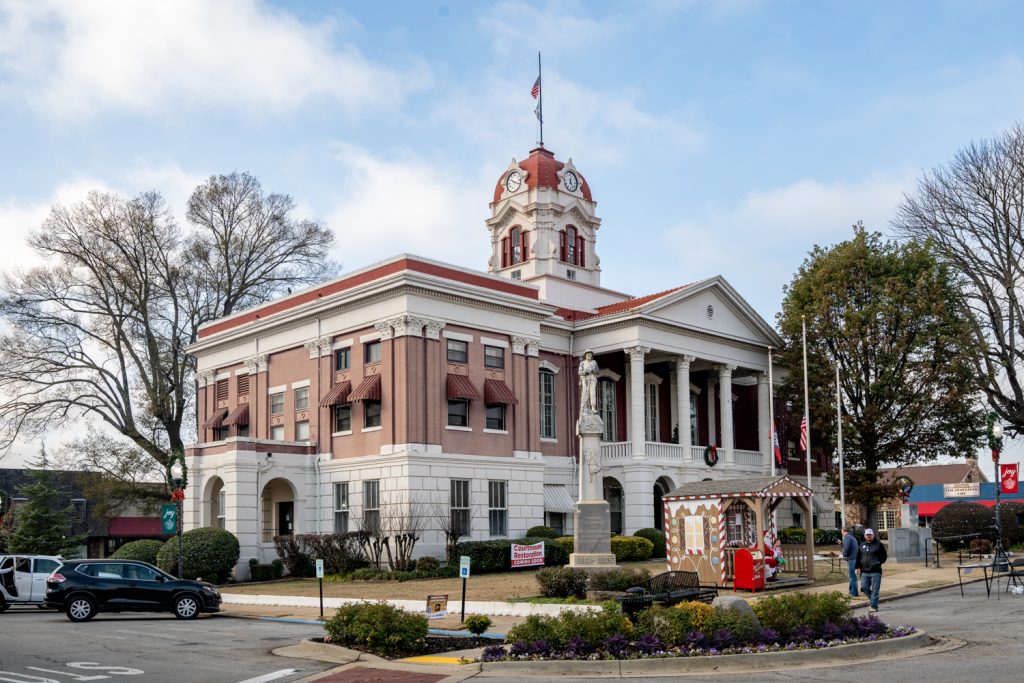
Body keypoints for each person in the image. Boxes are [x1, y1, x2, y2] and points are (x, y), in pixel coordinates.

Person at [858, 528, 887, 612]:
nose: (868, 536)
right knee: (864, 587)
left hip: (876, 571)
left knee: (875, 589)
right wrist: (857, 567)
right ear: (865, 536)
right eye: (867, 535)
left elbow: (884, 556)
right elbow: (858, 557)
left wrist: (878, 562)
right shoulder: (862, 545)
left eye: (870, 535)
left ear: (873, 535)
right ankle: (873, 600)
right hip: (864, 571)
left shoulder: (878, 544)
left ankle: (873, 606)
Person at [578, 350, 599, 415]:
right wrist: (586, 372)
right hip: (585, 379)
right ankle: (585, 408)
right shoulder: (582, 363)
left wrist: (593, 370)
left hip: (592, 378)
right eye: (588, 354)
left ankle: (593, 408)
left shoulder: (594, 362)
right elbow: (579, 372)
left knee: (592, 393)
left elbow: (597, 371)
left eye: (590, 354)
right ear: (585, 355)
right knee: (585, 393)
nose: (589, 355)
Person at [841, 526, 859, 597]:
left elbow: (846, 548)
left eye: (841, 531)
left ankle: (854, 593)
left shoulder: (847, 537)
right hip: (855, 558)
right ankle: (851, 591)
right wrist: (840, 543)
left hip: (852, 559)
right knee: (852, 576)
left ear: (843, 530)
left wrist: (844, 555)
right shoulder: (852, 537)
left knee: (852, 577)